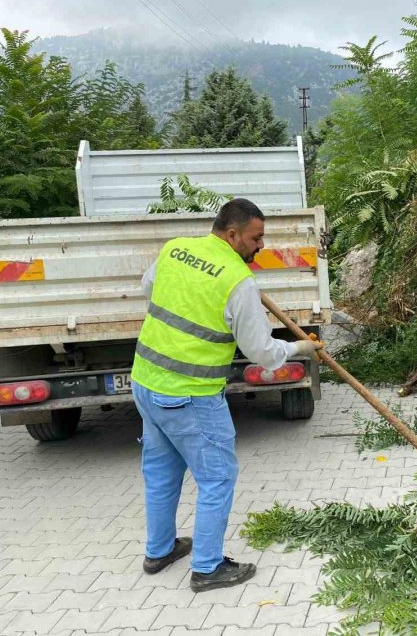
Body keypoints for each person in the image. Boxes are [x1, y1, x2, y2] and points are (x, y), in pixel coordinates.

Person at [130, 198, 323, 592]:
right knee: (218, 477)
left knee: (161, 472)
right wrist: (299, 349)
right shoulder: (237, 281)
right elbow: (262, 353)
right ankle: (207, 567)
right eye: (256, 238)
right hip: (190, 395)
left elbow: (149, 288)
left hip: (146, 384)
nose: (260, 247)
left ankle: (160, 550)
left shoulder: (176, 249)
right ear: (232, 234)